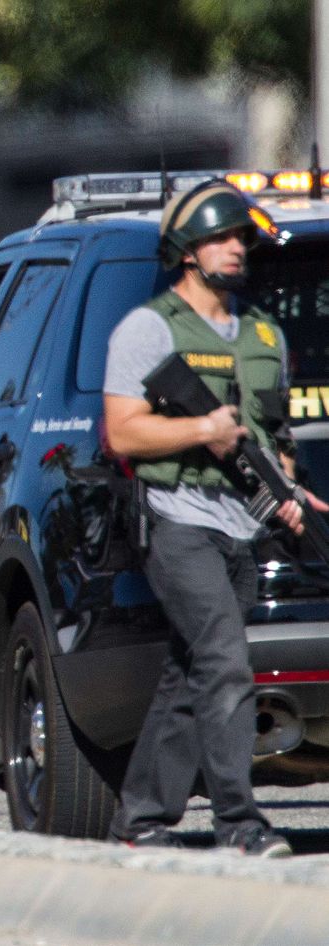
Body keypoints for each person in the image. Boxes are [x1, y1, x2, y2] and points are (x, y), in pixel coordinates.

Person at [103, 178, 321, 857]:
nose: (236, 248)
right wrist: (201, 428)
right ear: (186, 250)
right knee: (226, 660)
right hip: (176, 521)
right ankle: (241, 823)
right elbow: (123, 435)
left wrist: (293, 491)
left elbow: (273, 437)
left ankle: (140, 818)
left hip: (242, 524)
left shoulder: (263, 334)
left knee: (189, 670)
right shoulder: (149, 329)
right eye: (221, 237)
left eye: (241, 238)